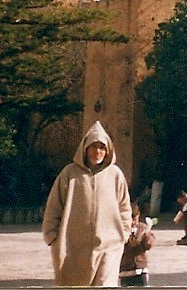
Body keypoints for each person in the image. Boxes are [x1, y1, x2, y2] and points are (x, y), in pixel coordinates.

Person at [42, 121, 132, 286]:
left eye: (102, 147)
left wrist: (123, 234)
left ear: (108, 150)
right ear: (85, 148)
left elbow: (124, 207)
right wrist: (52, 236)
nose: (98, 151)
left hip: (108, 246)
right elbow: (54, 206)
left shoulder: (115, 175)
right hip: (73, 248)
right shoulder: (69, 174)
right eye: (94, 146)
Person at [120, 200, 156, 287]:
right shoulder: (121, 230)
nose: (132, 222)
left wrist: (147, 235)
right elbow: (125, 245)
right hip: (125, 270)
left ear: (138, 215)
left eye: (134, 219)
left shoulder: (142, 227)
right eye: (129, 219)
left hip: (141, 268)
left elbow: (149, 245)